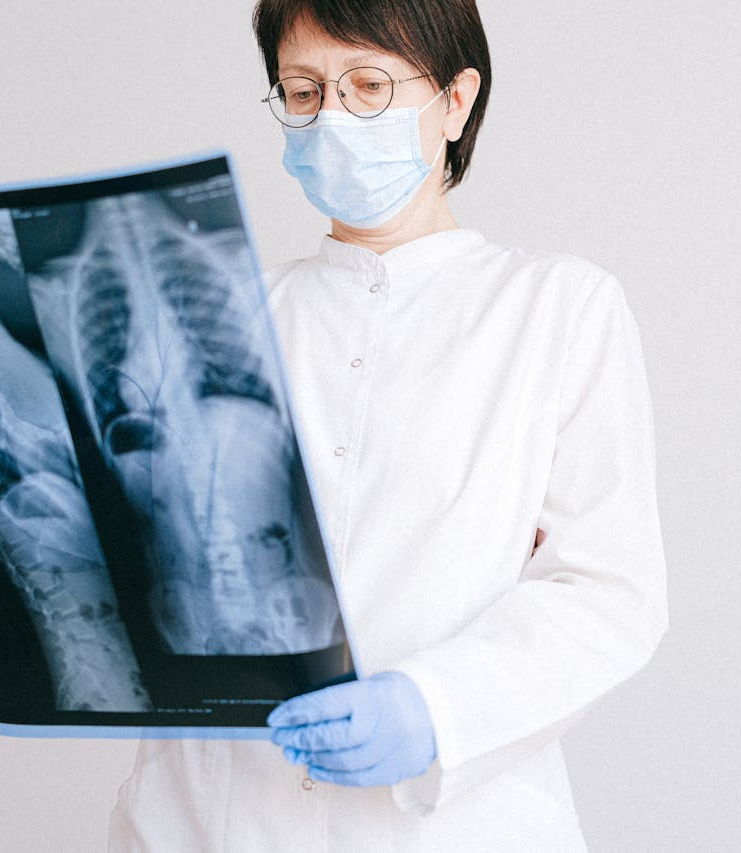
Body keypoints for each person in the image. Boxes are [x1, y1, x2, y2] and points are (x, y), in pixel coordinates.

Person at [109, 0, 668, 849]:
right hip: (205, 818)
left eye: (368, 85)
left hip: (451, 825)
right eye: (303, 92)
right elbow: (105, 533)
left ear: (454, 101)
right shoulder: (216, 319)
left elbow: (606, 589)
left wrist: (434, 706)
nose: (332, 118)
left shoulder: (555, 307)